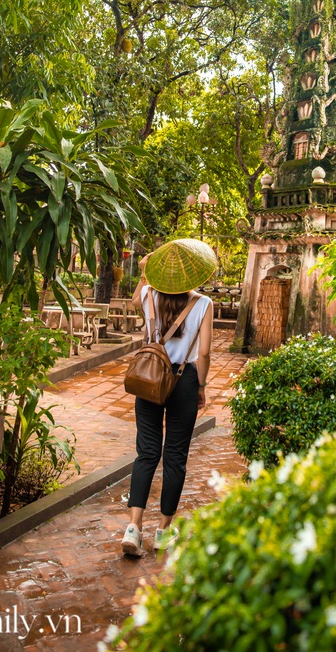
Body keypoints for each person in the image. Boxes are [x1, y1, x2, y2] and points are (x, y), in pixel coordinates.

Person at [121, 238, 215, 556]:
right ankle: (163, 531)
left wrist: (145, 274)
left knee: (146, 452)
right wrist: (201, 386)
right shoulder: (203, 304)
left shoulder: (149, 294)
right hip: (184, 380)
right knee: (175, 455)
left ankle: (134, 528)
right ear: (193, 274)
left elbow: (134, 302)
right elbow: (203, 353)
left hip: (150, 375)